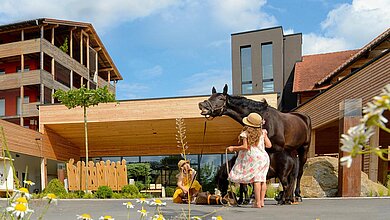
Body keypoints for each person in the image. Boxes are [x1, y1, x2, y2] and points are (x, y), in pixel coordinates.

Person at [227, 112, 272, 208]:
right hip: (264, 157)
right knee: (262, 179)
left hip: (253, 157)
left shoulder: (245, 133)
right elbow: (269, 145)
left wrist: (233, 148)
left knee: (256, 180)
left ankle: (257, 202)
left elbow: (245, 147)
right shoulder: (263, 132)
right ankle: (261, 202)